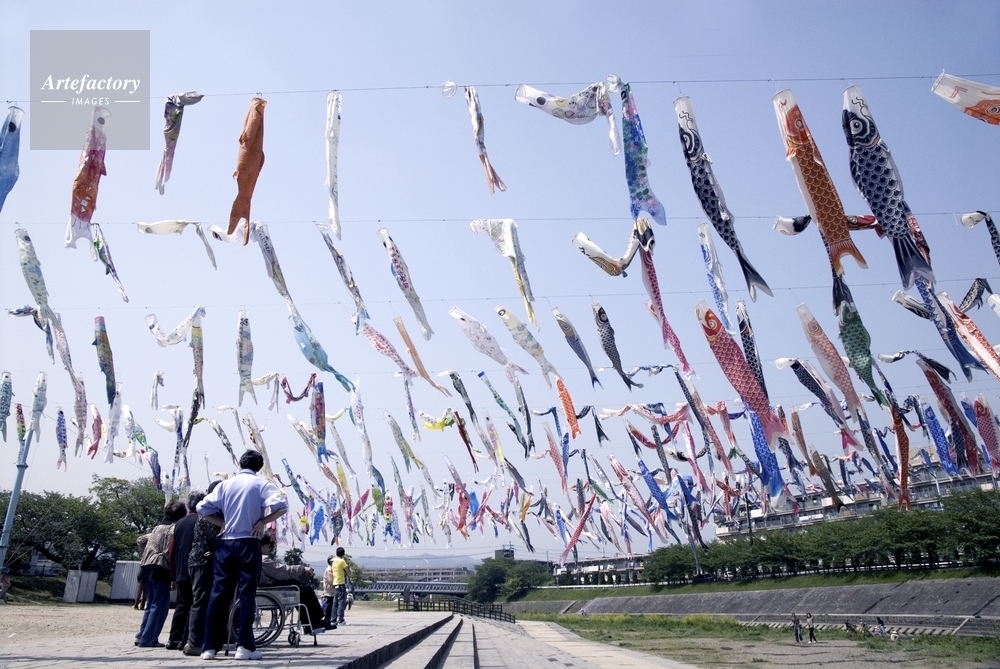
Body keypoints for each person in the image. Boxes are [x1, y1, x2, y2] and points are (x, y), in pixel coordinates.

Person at [197, 450, 287, 661]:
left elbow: (201, 508)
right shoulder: (261, 484)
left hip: (226, 543)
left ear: (240, 463)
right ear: (260, 467)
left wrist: (222, 523)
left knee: (219, 593)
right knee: (247, 595)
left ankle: (209, 647)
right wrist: (263, 522)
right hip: (249, 541)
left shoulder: (225, 484)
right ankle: (244, 646)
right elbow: (281, 506)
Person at [135, 501, 188, 647]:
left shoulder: (157, 528)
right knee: (160, 605)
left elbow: (140, 539)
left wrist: (148, 551)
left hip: (146, 565)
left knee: (151, 603)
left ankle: (141, 635)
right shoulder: (173, 529)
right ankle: (148, 639)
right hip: (160, 566)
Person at [183, 480, 222, 657]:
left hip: (198, 561)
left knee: (199, 601)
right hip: (203, 561)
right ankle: (194, 643)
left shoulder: (209, 512)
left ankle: (193, 640)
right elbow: (216, 539)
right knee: (201, 602)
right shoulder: (210, 514)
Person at [258, 534, 326, 635]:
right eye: (268, 546)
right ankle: (314, 622)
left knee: (301, 588)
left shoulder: (252, 558)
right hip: (270, 589)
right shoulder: (263, 559)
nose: (269, 549)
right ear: (262, 546)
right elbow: (283, 571)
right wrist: (303, 569)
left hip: (265, 587)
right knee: (305, 590)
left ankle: (311, 622)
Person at [166, 490, 205, 650]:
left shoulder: (179, 524)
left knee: (182, 605)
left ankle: (173, 639)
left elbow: (171, 550)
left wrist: (173, 574)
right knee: (196, 604)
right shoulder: (204, 520)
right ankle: (185, 639)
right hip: (197, 567)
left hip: (181, 569)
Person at [331, 547, 349, 627]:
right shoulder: (342, 561)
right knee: (341, 602)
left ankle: (333, 620)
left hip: (335, 583)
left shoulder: (333, 562)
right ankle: (340, 620)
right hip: (341, 583)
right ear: (343, 554)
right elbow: (348, 571)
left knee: (335, 603)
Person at [321, 555, 336, 630]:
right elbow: (331, 581)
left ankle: (328, 621)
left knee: (330, 605)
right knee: (329, 605)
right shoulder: (329, 569)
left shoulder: (332, 569)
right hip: (329, 590)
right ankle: (327, 621)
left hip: (331, 590)